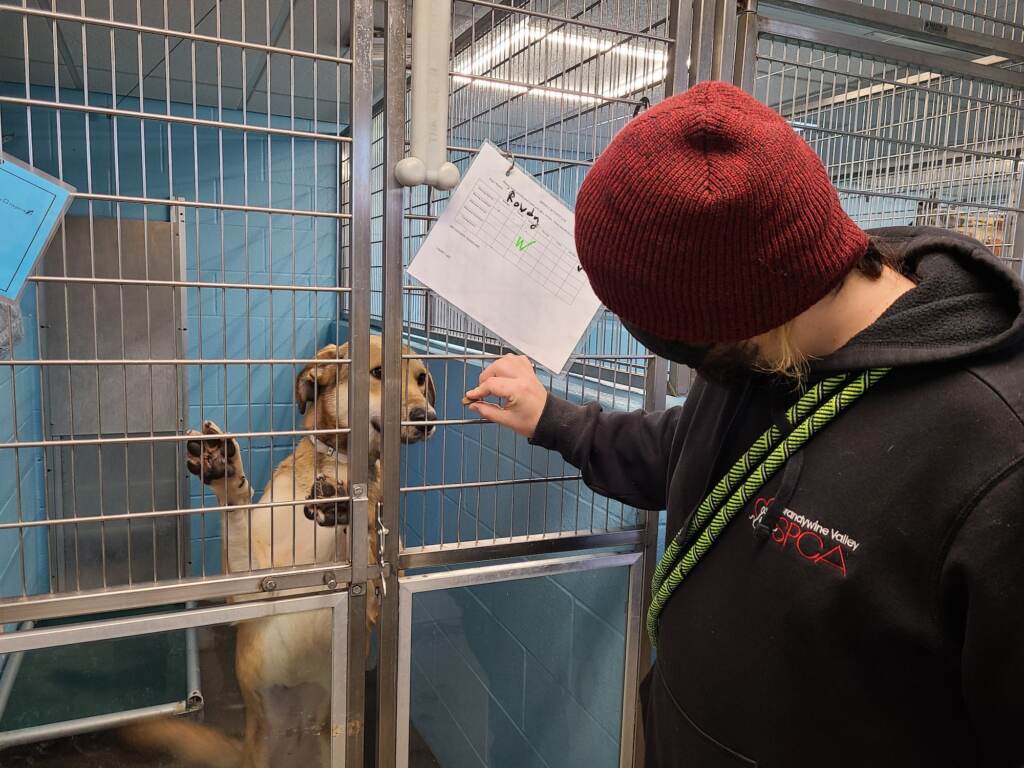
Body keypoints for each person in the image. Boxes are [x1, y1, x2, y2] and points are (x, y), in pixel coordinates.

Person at [463, 81, 1024, 767]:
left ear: (729, 322)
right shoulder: (764, 351)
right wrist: (553, 418)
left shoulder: (997, 460)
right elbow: (687, 455)